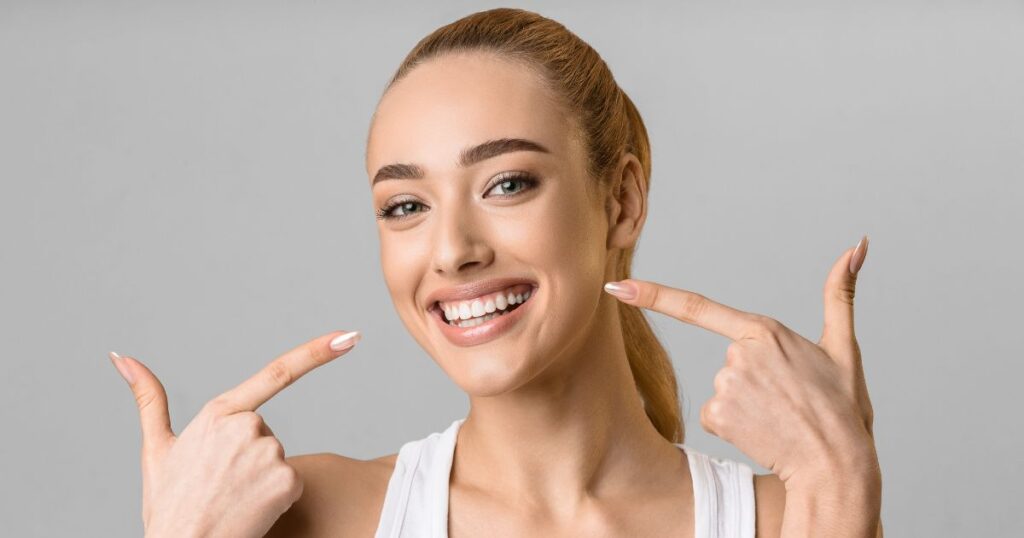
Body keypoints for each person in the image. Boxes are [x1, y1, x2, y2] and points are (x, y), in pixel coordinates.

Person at [109, 8, 882, 537]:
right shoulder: (310, 520)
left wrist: (841, 476)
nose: (451, 250)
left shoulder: (794, 517)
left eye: (506, 184)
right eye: (405, 206)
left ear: (620, 200)